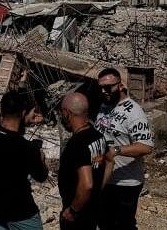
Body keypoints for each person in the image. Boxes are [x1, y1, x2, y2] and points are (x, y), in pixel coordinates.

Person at [94, 68, 154, 230]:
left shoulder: (134, 112)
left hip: (126, 182)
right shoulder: (104, 106)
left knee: (123, 225)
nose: (104, 91)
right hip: (105, 178)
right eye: (100, 87)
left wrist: (116, 151)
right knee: (104, 223)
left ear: (120, 86)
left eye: (108, 87)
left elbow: (146, 146)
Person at [0, 90, 48, 230]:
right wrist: (40, 157)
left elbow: (9, 130)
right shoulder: (27, 148)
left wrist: (24, 118)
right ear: (23, 113)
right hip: (21, 213)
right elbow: (41, 176)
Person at [58, 92, 113, 230]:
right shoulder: (98, 135)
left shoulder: (77, 144)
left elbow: (86, 184)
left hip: (78, 215)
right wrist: (98, 189)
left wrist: (72, 211)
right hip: (93, 208)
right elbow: (110, 161)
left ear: (66, 113)